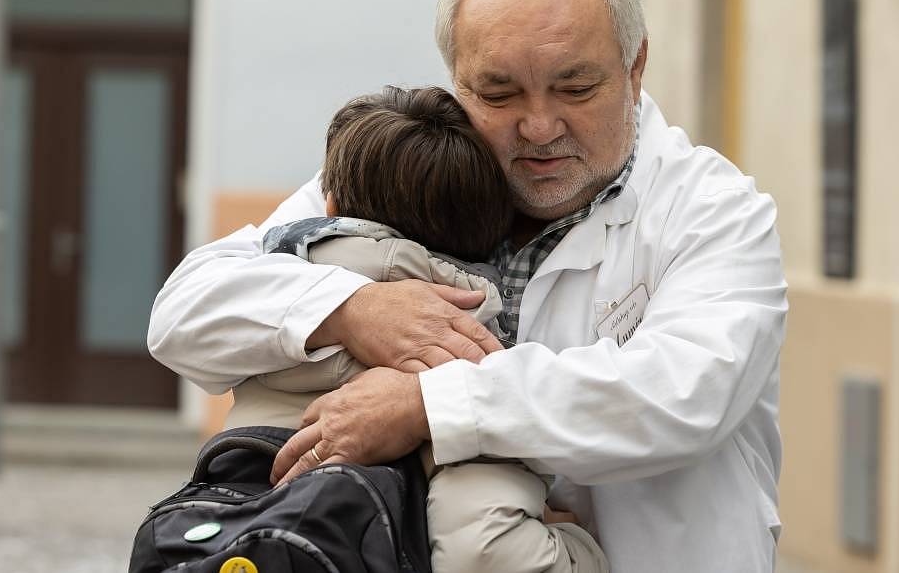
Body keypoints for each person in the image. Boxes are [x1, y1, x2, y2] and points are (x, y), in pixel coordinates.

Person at [149, 0, 787, 572]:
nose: (539, 127)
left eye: (575, 87)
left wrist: (430, 405)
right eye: (499, 92)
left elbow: (682, 393)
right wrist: (351, 309)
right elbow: (185, 310)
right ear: (457, 79)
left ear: (635, 66)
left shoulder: (714, 211)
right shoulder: (412, 176)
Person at [217, 85, 608, 573]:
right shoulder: (470, 352)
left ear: (332, 209)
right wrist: (580, 547)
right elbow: (485, 551)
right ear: (497, 237)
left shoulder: (270, 291)